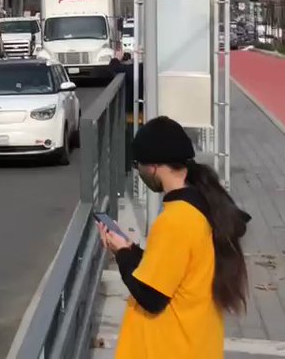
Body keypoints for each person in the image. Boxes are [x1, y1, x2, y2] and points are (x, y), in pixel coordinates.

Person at [100, 116, 249, 359]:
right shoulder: (203, 204)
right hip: (197, 343)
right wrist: (132, 250)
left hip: (171, 347)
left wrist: (122, 254)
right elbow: (173, 271)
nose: (138, 171)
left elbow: (151, 297)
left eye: (138, 164)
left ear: (154, 167)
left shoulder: (175, 220)